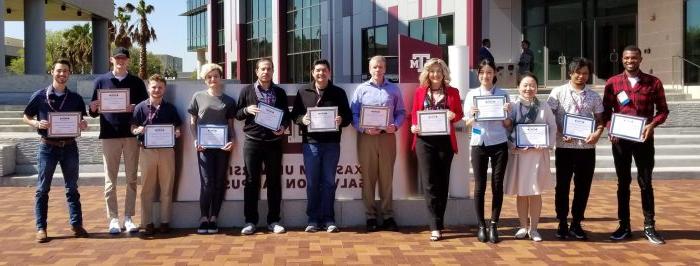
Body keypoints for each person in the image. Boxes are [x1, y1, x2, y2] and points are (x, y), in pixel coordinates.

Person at [602, 45, 669, 245]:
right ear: (621, 59)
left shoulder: (653, 82)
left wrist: (652, 125)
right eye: (627, 58)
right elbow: (605, 112)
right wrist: (610, 128)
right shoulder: (613, 83)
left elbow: (663, 111)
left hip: (644, 139)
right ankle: (624, 226)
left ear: (640, 59)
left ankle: (649, 226)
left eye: (634, 58)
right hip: (621, 141)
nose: (630, 61)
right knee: (623, 184)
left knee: (645, 182)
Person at [23, 59, 90, 243]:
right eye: (59, 70)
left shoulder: (75, 98)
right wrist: (35, 123)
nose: (62, 74)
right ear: (52, 71)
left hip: (69, 146)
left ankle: (76, 225)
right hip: (47, 147)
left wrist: (83, 124)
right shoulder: (40, 96)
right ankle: (41, 228)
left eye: (66, 71)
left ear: (69, 74)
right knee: (42, 189)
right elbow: (26, 116)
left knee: (72, 188)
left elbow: (81, 121)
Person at [88, 47, 149, 234]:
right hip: (109, 135)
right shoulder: (101, 81)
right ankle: (113, 218)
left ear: (128, 61)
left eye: (124, 58)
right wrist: (93, 107)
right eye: (117, 58)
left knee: (131, 179)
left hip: (131, 136)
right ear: (111, 59)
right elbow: (92, 112)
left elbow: (146, 109)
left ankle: (129, 217)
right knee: (110, 181)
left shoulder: (137, 82)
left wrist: (135, 107)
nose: (121, 61)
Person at [291, 59, 352, 233]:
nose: (321, 73)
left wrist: (341, 120)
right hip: (311, 144)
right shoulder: (303, 92)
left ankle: (329, 219)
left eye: (324, 70)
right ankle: (312, 219)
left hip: (332, 144)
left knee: (328, 182)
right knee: (312, 183)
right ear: (312, 73)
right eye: (317, 70)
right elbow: (294, 115)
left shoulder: (338, 92)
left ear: (329, 72)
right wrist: (302, 120)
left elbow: (347, 116)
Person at [547, 57, 604, 240]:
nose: (581, 76)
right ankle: (562, 222)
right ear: (570, 73)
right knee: (562, 186)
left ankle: (576, 223)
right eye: (578, 72)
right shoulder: (558, 92)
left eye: (585, 73)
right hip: (565, 147)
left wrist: (596, 134)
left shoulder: (594, 96)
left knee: (583, 187)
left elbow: (600, 121)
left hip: (587, 149)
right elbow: (548, 116)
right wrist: (560, 130)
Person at [409, 58, 464, 241]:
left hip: (445, 143)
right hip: (424, 142)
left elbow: (459, 114)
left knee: (442, 183)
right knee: (429, 183)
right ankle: (434, 225)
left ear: (444, 73)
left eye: (438, 71)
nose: (435, 74)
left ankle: (440, 221)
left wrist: (453, 115)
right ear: (427, 73)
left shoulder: (453, 92)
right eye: (432, 71)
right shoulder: (419, 92)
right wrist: (413, 127)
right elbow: (414, 115)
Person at [350, 55, 406, 232]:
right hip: (367, 137)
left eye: (381, 67)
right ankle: (371, 216)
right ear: (369, 68)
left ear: (385, 68)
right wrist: (363, 129)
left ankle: (388, 216)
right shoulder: (361, 90)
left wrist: (395, 125)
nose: (378, 70)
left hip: (387, 137)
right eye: (374, 67)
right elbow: (354, 114)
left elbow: (401, 112)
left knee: (387, 177)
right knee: (368, 177)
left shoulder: (394, 89)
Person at [236, 58, 291, 235]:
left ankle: (273, 220)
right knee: (252, 181)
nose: (266, 72)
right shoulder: (246, 91)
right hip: (252, 142)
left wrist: (283, 127)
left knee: (274, 181)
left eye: (269, 69)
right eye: (262, 69)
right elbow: (237, 114)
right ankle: (250, 221)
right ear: (256, 71)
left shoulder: (279, 92)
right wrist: (246, 110)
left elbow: (287, 116)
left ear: (273, 71)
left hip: (274, 144)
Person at [504, 72, 556, 242]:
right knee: (522, 191)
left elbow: (552, 127)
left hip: (537, 154)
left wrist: (546, 143)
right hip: (519, 155)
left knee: (535, 191)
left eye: (532, 85)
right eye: (525, 85)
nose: (529, 88)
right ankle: (522, 226)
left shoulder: (543, 106)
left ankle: (534, 228)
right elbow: (506, 128)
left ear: (537, 87)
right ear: (518, 87)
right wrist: (512, 144)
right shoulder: (512, 105)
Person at [463, 59, 511, 243]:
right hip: (479, 142)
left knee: (497, 185)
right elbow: (467, 124)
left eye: (489, 72)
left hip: (499, 142)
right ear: (478, 75)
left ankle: (494, 225)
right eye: (482, 72)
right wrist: (473, 116)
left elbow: (508, 125)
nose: (486, 76)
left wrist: (506, 114)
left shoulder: (503, 94)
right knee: (480, 186)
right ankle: (481, 225)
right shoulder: (472, 95)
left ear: (495, 74)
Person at [188, 63, 236, 234]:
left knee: (219, 182)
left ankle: (214, 217)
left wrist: (233, 141)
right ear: (204, 79)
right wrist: (195, 140)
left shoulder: (229, 101)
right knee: (207, 183)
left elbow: (231, 126)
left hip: (223, 147)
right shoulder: (197, 97)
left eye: (215, 76)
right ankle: (203, 217)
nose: (213, 79)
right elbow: (192, 123)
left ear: (220, 77)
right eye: (209, 76)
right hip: (203, 147)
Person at [131, 74, 182, 235]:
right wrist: (136, 130)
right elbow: (132, 127)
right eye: (153, 87)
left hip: (167, 151)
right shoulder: (140, 107)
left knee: (167, 187)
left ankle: (165, 221)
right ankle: (147, 222)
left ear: (164, 89)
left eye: (160, 87)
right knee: (147, 188)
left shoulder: (170, 108)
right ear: (148, 88)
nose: (156, 90)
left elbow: (178, 127)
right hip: (147, 151)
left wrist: (178, 132)